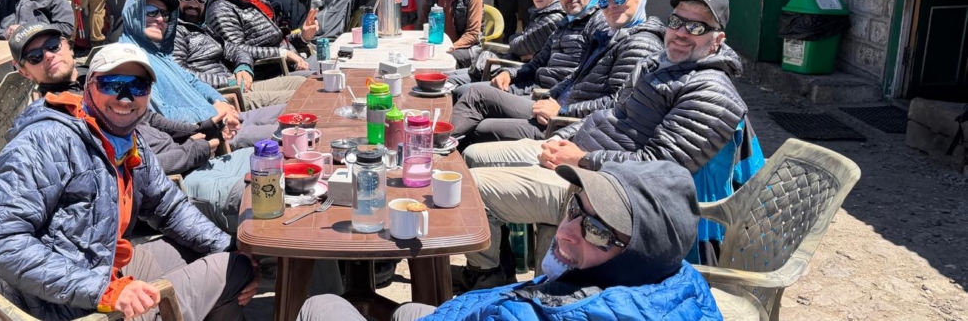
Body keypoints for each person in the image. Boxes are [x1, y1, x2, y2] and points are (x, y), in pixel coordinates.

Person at [464, 0, 765, 267]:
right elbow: (609, 112)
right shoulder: (658, 64)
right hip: (588, 156)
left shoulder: (711, 92)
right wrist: (565, 138)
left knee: (472, 187)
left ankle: (486, 274)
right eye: (676, 21)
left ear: (718, 39)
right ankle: (501, 264)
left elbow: (661, 169)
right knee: (474, 155)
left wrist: (580, 159)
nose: (682, 33)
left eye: (697, 27)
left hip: (613, 194)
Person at [0, 41, 258, 321]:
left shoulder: (126, 139)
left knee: (218, 254)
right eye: (111, 84)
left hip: (101, 264)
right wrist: (103, 291)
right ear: (88, 86)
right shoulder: (45, 141)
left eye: (138, 87)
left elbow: (167, 206)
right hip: (61, 305)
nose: (125, 97)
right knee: (236, 270)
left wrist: (227, 245)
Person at [296, 161, 723, 320]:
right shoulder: (676, 278)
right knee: (406, 307)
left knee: (320, 304)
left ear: (635, 257)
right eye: (575, 207)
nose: (568, 229)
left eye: (597, 230)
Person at [7, 22, 257, 234]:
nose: (49, 56)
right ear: (24, 71)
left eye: (52, 46)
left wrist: (202, 127)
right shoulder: (60, 117)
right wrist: (191, 152)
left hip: (186, 159)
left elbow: (152, 119)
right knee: (252, 197)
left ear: (68, 45)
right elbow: (123, 170)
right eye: (35, 57)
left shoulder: (98, 78)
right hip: (171, 186)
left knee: (270, 164)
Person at [450, 0, 664, 145]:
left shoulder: (622, 35)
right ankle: (436, 145)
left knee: (478, 123)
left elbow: (617, 105)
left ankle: (440, 151)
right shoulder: (602, 31)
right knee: (474, 95)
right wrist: (513, 74)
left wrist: (561, 109)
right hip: (553, 101)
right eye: (606, 1)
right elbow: (564, 73)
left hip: (566, 121)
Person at [118, 0, 286, 150]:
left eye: (165, 13)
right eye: (150, 11)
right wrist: (214, 112)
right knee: (293, 132)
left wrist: (220, 102)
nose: (160, 19)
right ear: (133, 14)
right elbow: (164, 115)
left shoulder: (160, 53)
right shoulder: (131, 62)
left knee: (289, 113)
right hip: (211, 134)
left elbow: (194, 81)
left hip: (223, 117)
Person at [170, 0, 307, 110]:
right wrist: (226, 82)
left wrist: (243, 67)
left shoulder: (205, 29)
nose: (194, 4)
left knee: (303, 83)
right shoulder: (174, 32)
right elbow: (180, 73)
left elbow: (236, 50)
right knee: (300, 97)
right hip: (222, 96)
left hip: (238, 85)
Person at [485, 0, 599, 96]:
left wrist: (554, 101)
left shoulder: (593, 23)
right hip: (533, 82)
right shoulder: (565, 22)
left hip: (548, 94)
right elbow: (537, 61)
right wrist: (508, 74)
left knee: (475, 94)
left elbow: (520, 46)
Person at [448, 0, 566, 91]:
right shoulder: (541, 13)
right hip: (510, 66)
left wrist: (518, 43)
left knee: (455, 86)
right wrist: (517, 41)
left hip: (520, 74)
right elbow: (521, 45)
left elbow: (520, 46)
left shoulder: (553, 18)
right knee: (450, 76)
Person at [205, 0, 313, 79]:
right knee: (319, 82)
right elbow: (237, 49)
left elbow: (277, 39)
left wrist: (303, 37)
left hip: (293, 64)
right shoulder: (222, 8)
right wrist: (283, 54)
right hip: (269, 73)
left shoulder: (253, 4)